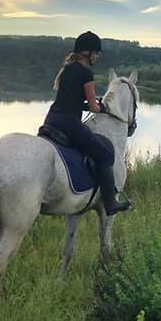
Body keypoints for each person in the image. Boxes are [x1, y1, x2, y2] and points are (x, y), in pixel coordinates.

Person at [43, 31, 133, 215]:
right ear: (87, 53)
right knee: (105, 152)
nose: (98, 56)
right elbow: (93, 106)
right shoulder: (86, 73)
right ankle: (110, 202)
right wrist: (105, 108)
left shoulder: (67, 69)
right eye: (96, 53)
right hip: (69, 124)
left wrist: (85, 105)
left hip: (52, 119)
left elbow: (71, 99)